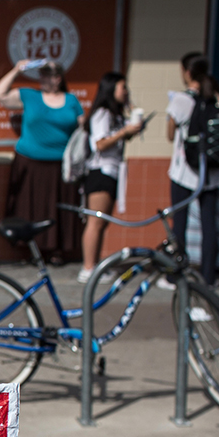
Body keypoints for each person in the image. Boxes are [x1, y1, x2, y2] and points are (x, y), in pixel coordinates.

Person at [166, 53, 219, 286]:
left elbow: (170, 135)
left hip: (183, 172)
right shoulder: (216, 99)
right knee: (209, 224)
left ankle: (175, 273)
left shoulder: (181, 100)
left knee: (179, 223)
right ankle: (208, 277)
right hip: (211, 173)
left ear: (187, 72)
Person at [0, 59, 83, 260]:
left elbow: (83, 128)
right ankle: (31, 250)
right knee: (30, 208)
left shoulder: (71, 101)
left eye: (47, 74)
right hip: (29, 164)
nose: (42, 78)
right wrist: (16, 69)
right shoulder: (30, 96)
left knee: (58, 209)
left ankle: (57, 250)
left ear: (58, 78)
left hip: (60, 167)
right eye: (41, 74)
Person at [78, 72, 145, 283]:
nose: (126, 91)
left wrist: (132, 115)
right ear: (111, 89)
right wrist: (123, 132)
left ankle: (94, 265)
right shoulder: (102, 113)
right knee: (95, 222)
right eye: (123, 87)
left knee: (102, 222)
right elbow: (100, 143)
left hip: (112, 171)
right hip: (100, 172)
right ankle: (88, 268)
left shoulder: (115, 114)